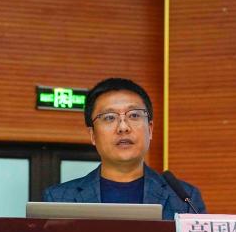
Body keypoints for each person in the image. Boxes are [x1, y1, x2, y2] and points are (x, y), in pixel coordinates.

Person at [41, 77, 206, 219]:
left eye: (134, 115)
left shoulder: (185, 199)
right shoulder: (58, 199)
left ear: (150, 129)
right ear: (92, 135)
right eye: (109, 117)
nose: (123, 127)